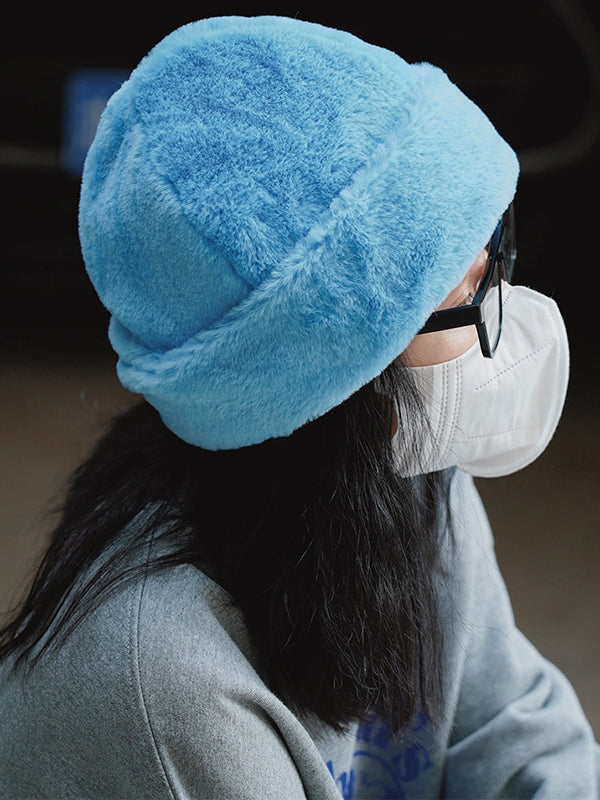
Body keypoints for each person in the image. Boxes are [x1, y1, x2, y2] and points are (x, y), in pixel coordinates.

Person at [0, 15, 597, 800]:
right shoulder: (163, 690)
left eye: (493, 258)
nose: (504, 313)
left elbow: (518, 732)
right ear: (336, 383)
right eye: (463, 294)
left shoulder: (410, 473)